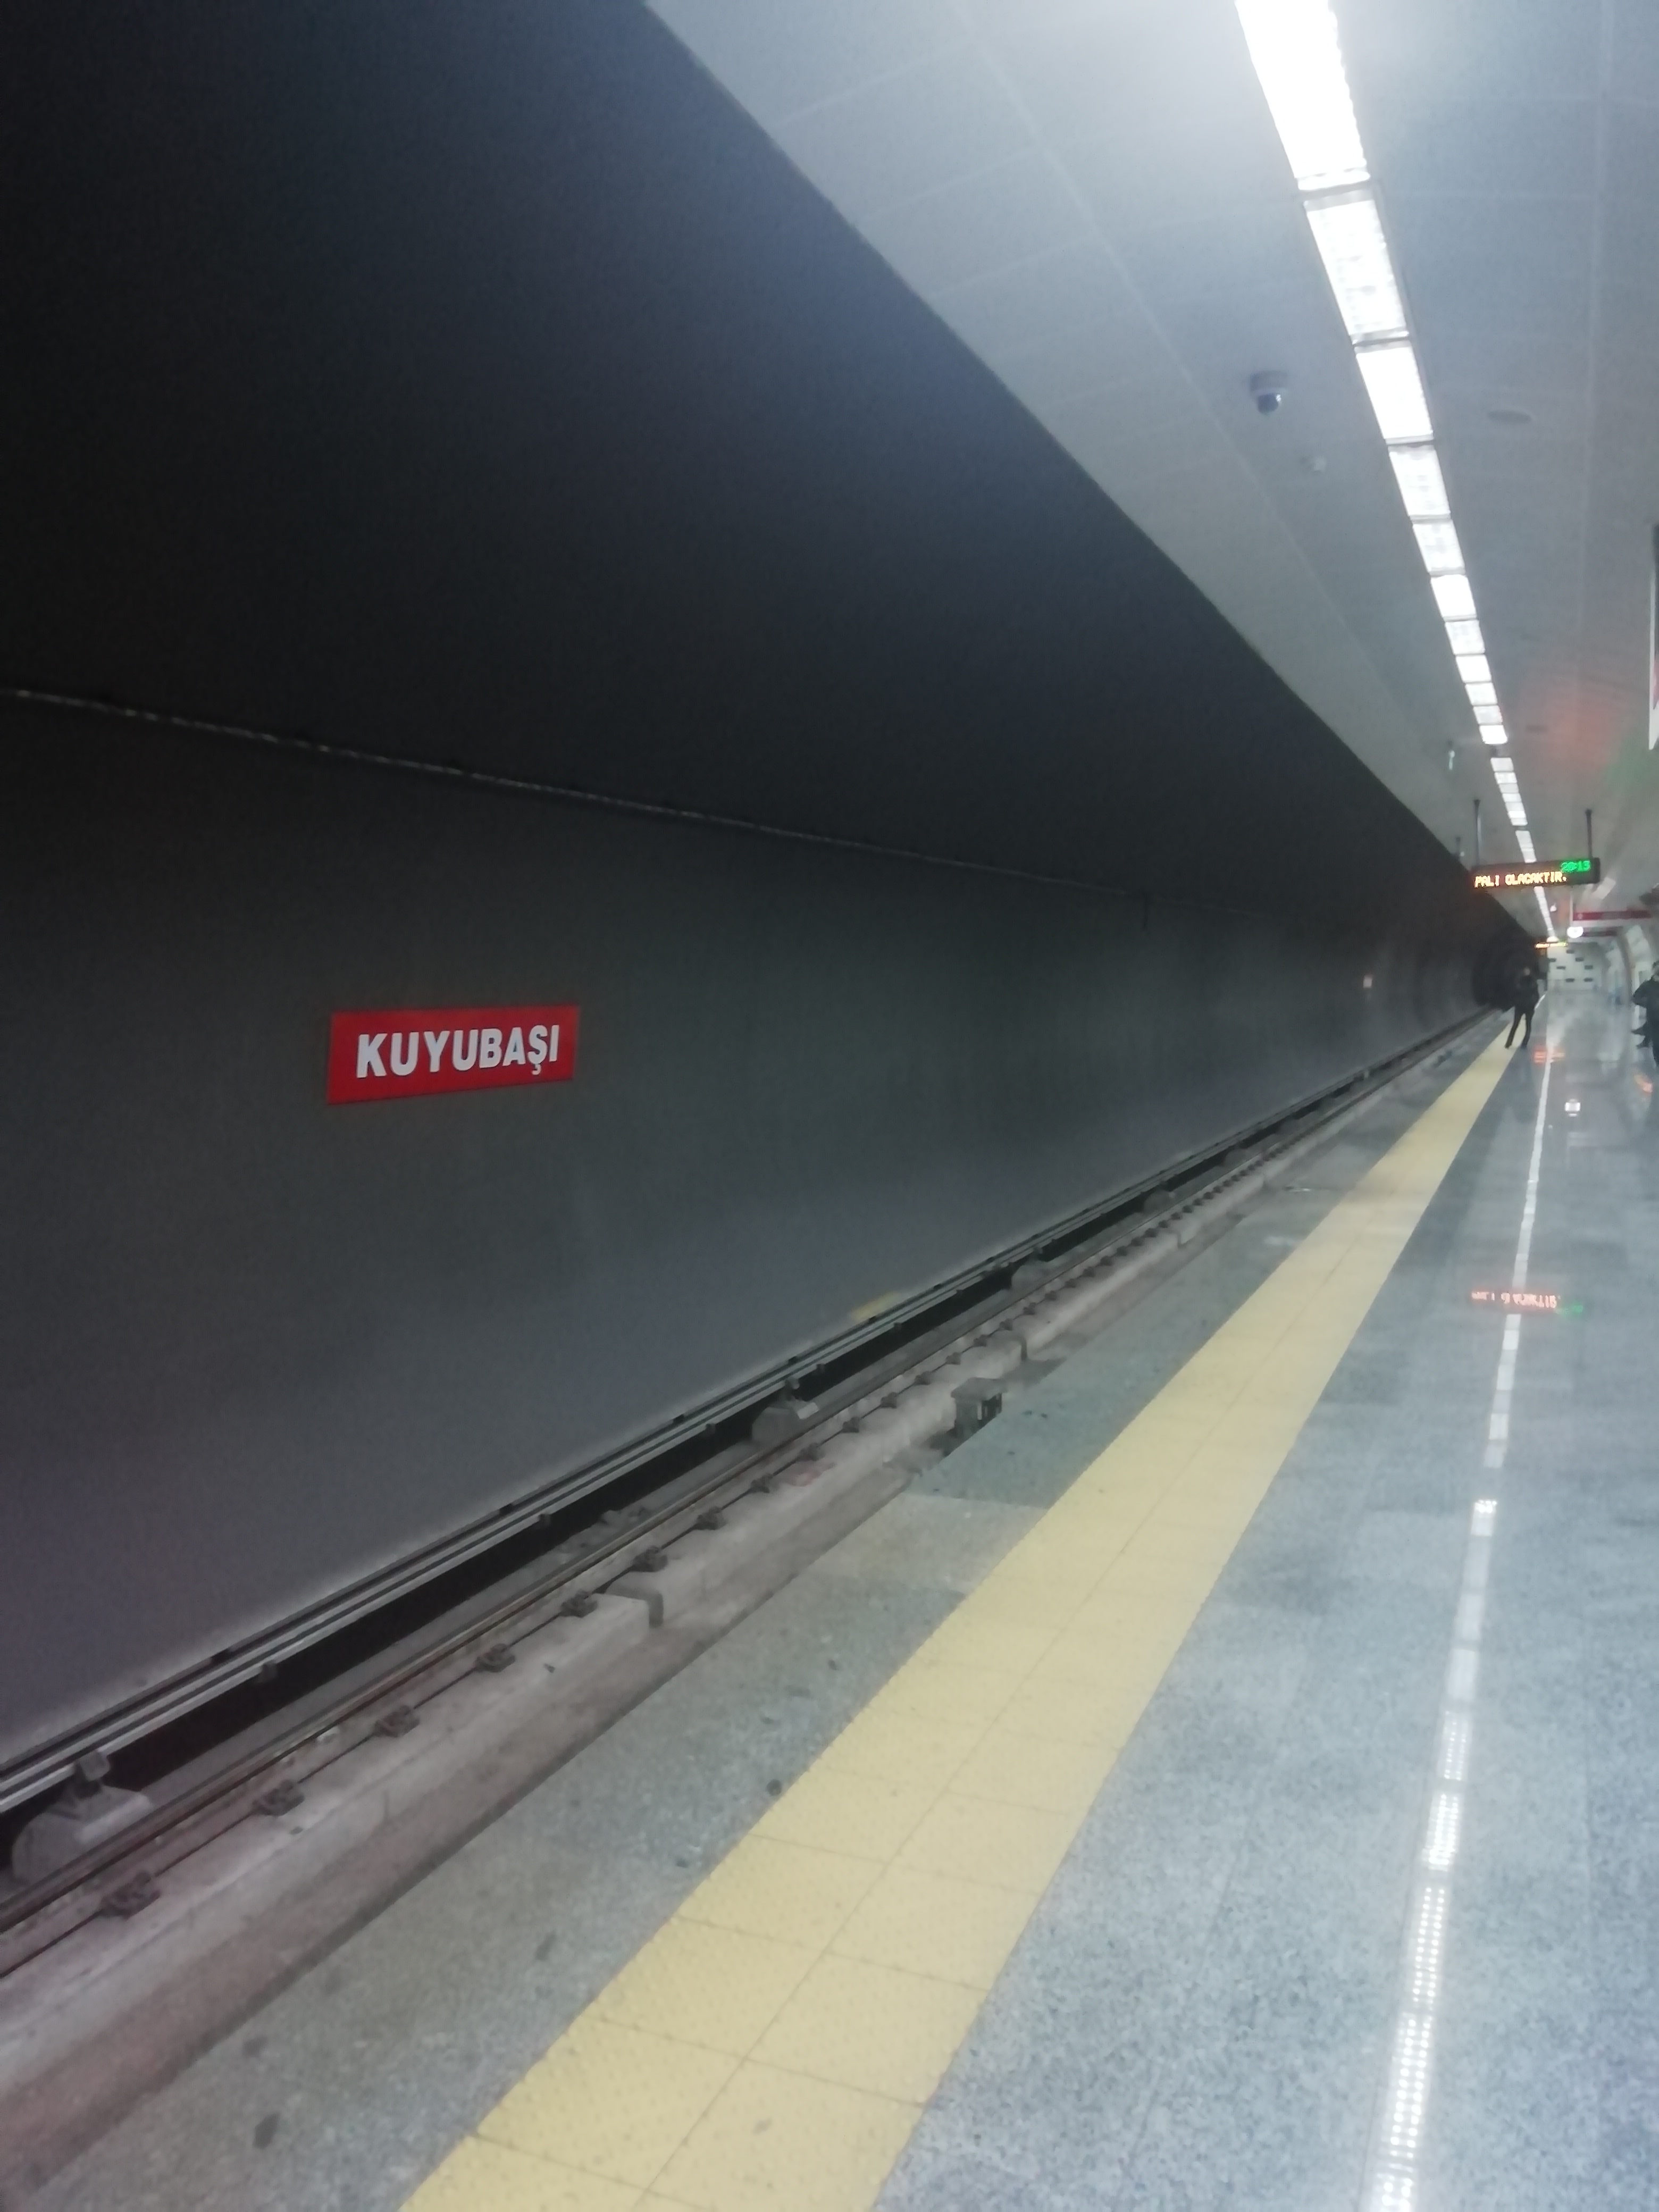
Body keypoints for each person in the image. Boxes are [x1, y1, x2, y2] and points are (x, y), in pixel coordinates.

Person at [1504, 961, 1540, 1050]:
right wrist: (1516, 1002)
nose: (1526, 971)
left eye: (1528, 970)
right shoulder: (1519, 981)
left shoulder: (1532, 982)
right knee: (1515, 1024)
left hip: (1529, 1007)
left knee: (1528, 1025)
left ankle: (1525, 1043)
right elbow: (1513, 993)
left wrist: (1533, 1003)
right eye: (1525, 970)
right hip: (1520, 1006)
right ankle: (1509, 1042)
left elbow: (1536, 995)